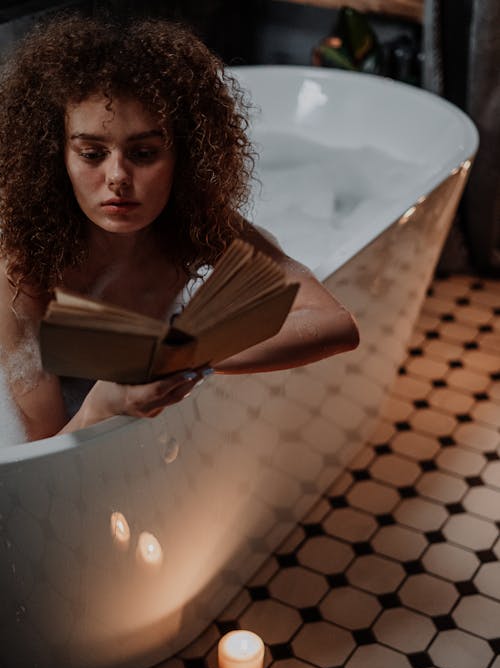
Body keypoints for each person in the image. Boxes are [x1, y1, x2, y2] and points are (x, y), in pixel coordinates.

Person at [0, 13, 359, 443]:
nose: (118, 176)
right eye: (92, 154)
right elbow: (41, 459)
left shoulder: (193, 226)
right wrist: (104, 404)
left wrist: (183, 354)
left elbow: (333, 321)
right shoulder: (23, 267)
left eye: (145, 153)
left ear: (183, 157)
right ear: (57, 157)